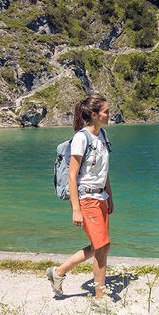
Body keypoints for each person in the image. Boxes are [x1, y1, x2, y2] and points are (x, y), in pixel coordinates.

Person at [47, 95, 114, 299]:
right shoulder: (81, 138)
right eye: (106, 111)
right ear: (93, 115)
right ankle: (100, 298)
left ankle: (58, 272)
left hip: (100, 197)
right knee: (102, 246)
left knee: (100, 245)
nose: (109, 114)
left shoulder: (102, 135)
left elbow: (104, 170)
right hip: (86, 199)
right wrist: (75, 209)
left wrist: (110, 196)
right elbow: (71, 175)